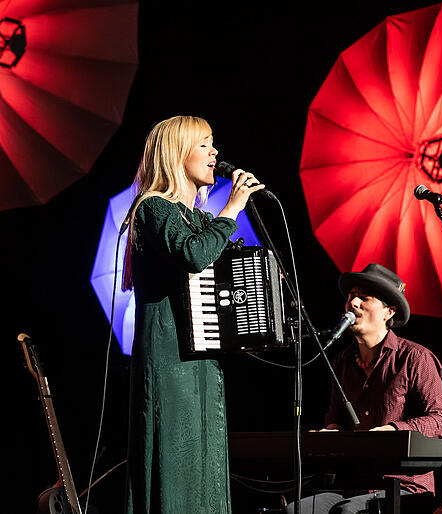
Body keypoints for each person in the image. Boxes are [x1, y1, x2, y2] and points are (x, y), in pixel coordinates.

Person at [122, 115, 264, 513]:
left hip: (201, 358)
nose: (215, 152)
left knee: (206, 467)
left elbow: (218, 270)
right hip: (168, 358)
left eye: (213, 143)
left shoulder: (197, 218)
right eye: (204, 144)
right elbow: (194, 255)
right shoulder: (152, 208)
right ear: (175, 153)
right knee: (175, 460)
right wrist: (233, 207)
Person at [287, 263, 442, 514]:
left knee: (348, 512)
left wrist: (393, 431)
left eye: (364, 298)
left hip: (404, 486)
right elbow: (336, 419)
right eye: (352, 296)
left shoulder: (415, 358)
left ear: (388, 312)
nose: (353, 303)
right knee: (296, 510)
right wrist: (329, 431)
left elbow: (440, 421)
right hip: (353, 485)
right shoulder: (342, 361)